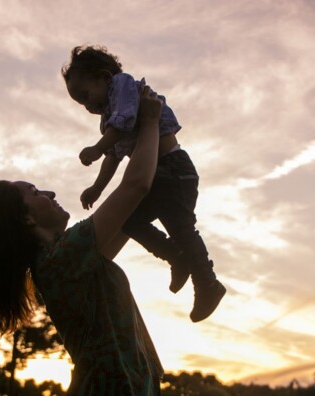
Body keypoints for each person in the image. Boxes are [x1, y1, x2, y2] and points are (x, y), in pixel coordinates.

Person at [0, 83, 164, 396]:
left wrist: (131, 144)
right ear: (25, 219)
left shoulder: (68, 258)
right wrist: (149, 122)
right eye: (35, 191)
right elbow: (136, 185)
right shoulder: (61, 260)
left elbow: (134, 209)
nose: (50, 191)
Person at [62, 45, 226, 322]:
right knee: (126, 220)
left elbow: (125, 122)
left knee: (181, 227)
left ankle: (208, 284)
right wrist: (97, 188)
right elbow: (114, 156)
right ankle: (175, 255)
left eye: (86, 96)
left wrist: (98, 146)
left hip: (173, 170)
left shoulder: (123, 87)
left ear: (104, 77)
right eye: (81, 104)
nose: (88, 107)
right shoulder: (107, 120)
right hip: (157, 175)